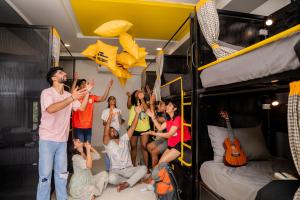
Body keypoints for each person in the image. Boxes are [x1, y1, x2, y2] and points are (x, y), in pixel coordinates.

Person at [37, 67, 93, 200]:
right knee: (45, 176)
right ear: (54, 78)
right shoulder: (47, 93)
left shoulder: (68, 95)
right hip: (47, 140)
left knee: (62, 174)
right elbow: (51, 109)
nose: (65, 74)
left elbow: (82, 107)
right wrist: (72, 98)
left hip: (62, 141)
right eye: (61, 73)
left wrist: (87, 93)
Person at [103, 106, 147, 192]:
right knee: (111, 178)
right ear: (109, 134)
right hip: (116, 171)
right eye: (111, 131)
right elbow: (105, 133)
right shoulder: (107, 144)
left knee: (144, 168)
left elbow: (133, 127)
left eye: (114, 130)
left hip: (129, 169)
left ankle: (127, 183)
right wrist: (110, 118)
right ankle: (133, 180)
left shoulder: (124, 139)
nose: (113, 131)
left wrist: (137, 114)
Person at [143, 101, 191, 165]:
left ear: (175, 109)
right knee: (160, 163)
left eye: (170, 105)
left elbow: (169, 135)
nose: (167, 106)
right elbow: (160, 127)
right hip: (172, 144)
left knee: (161, 163)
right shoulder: (169, 120)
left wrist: (154, 133)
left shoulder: (178, 118)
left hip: (181, 143)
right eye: (168, 105)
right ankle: (160, 174)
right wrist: (153, 117)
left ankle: (162, 174)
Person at [71, 73, 113, 143]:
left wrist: (108, 87)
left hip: (88, 126)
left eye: (86, 83)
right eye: (83, 84)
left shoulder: (92, 97)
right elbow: (71, 94)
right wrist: (75, 80)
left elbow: (103, 98)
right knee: (79, 147)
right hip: (78, 126)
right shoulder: (76, 96)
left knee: (88, 146)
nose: (85, 85)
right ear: (78, 87)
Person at [126, 90, 150, 168]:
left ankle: (146, 167)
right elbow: (128, 106)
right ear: (134, 94)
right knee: (133, 147)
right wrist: (129, 97)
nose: (139, 92)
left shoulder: (145, 102)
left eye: (140, 91)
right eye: (137, 92)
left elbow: (147, 110)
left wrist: (142, 99)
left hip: (144, 127)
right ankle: (132, 166)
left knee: (144, 147)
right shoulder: (132, 103)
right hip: (133, 127)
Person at [101, 96, 125, 171]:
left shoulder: (118, 110)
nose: (113, 100)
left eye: (114, 99)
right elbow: (104, 123)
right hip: (108, 130)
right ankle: (108, 169)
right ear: (108, 101)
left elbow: (121, 122)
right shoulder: (105, 111)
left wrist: (119, 117)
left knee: (117, 149)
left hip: (116, 131)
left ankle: (116, 167)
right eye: (111, 99)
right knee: (108, 149)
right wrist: (110, 117)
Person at [147, 94, 168, 168]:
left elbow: (156, 119)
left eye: (161, 104)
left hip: (170, 139)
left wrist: (151, 103)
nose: (158, 106)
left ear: (166, 106)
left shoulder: (168, 115)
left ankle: (155, 175)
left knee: (154, 152)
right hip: (165, 138)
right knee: (149, 146)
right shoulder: (164, 113)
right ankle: (157, 167)